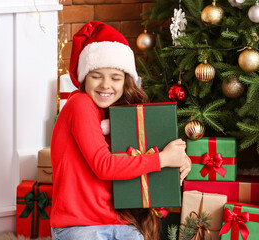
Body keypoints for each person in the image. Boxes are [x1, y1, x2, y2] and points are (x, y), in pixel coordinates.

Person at [50, 21, 191, 240]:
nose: (106, 85)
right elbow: (104, 165)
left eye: (115, 78)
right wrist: (162, 159)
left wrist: (178, 160)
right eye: (96, 75)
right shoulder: (80, 104)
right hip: (79, 226)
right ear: (84, 77)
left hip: (117, 222)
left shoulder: (119, 116)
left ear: (125, 82)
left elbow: (143, 154)